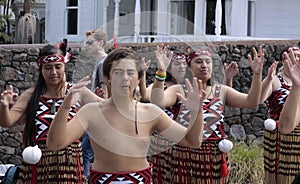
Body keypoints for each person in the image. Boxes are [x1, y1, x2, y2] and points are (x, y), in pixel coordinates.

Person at [46, 47, 205, 183]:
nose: (125, 79)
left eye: (130, 73)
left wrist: (197, 112)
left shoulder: (151, 112)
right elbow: (55, 144)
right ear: (107, 78)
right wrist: (65, 107)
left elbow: (192, 141)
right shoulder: (91, 112)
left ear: (138, 78)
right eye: (118, 72)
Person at [149, 45, 264, 183]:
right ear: (189, 67)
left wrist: (257, 74)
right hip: (184, 156)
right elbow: (158, 100)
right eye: (198, 62)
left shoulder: (222, 91)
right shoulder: (178, 89)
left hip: (213, 159)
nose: (204, 65)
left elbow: (251, 101)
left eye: (207, 61)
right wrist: (161, 71)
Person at [0, 44, 102, 183]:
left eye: (57, 66)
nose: (53, 72)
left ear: (64, 66)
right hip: (38, 161)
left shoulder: (77, 92)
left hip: (69, 161)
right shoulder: (31, 94)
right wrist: (4, 107)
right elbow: (7, 121)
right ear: (41, 69)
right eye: (48, 67)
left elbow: (106, 107)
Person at [260, 46, 300, 184]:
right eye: (293, 56)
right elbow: (259, 99)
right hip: (281, 135)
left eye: (299, 56)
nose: (297, 59)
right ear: (285, 60)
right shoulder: (277, 80)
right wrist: (268, 80)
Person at [80, 28, 109, 179]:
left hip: (99, 114)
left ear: (100, 43)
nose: (87, 46)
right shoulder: (101, 62)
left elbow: (105, 92)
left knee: (84, 153)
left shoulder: (103, 63)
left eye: (90, 43)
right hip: (99, 113)